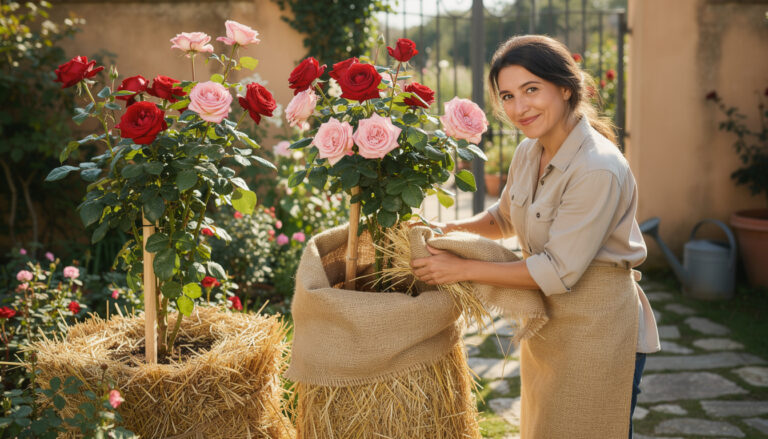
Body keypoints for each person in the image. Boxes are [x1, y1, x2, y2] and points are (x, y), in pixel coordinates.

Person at [411, 35, 660, 439]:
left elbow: (558, 271)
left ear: (565, 88)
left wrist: (461, 269)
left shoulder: (596, 167)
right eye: (507, 96)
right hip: (549, 324)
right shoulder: (531, 151)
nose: (519, 108)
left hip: (597, 330)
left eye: (531, 90)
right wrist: (454, 229)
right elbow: (505, 217)